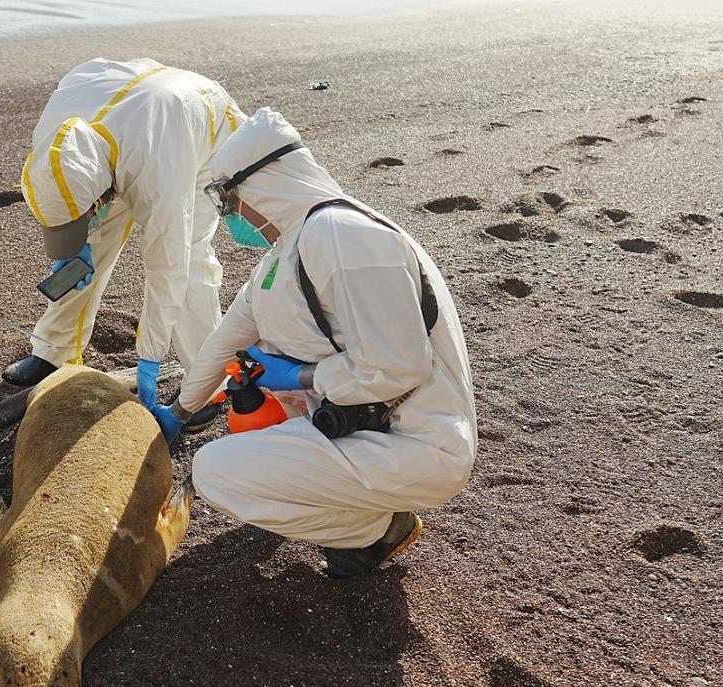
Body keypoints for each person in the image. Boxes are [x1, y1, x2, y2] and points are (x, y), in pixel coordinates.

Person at [149, 109, 477, 579]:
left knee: (215, 472)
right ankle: (365, 513)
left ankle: (375, 528)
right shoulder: (286, 253)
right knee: (250, 431)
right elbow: (224, 344)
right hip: (364, 425)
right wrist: (177, 412)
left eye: (231, 200)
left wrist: (301, 376)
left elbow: (398, 367)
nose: (232, 216)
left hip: (419, 444)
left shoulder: (344, 236)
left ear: (264, 184)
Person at [7, 58, 247, 430]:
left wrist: (149, 356)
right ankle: (54, 350)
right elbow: (70, 190)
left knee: (191, 260)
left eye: (92, 208)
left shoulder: (158, 172)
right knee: (93, 239)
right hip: (131, 122)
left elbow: (169, 267)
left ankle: (205, 382)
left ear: (103, 193)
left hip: (199, 137)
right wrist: (73, 244)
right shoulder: (54, 141)